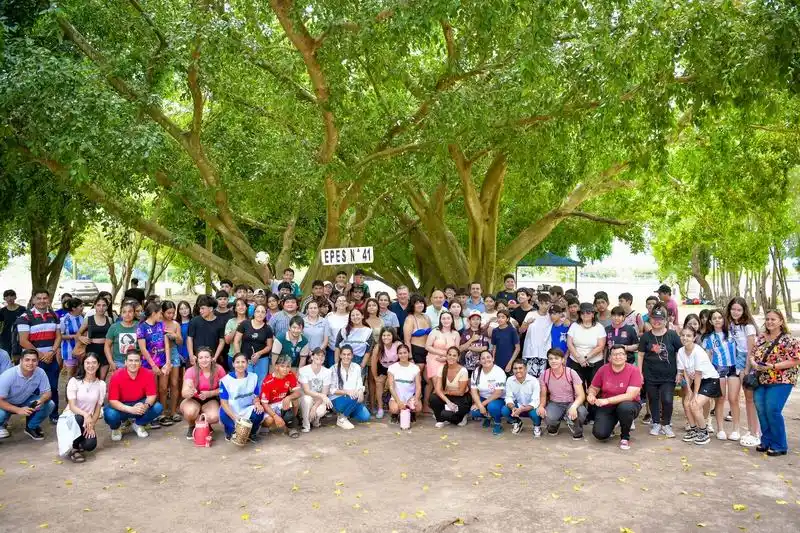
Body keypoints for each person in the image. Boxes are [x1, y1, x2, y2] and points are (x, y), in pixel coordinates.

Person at [751, 309, 800, 456]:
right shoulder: (761, 338)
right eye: (767, 319)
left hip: (782, 379)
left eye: (773, 319)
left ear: (781, 321)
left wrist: (773, 367)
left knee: (772, 409)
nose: (770, 322)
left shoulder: (789, 339)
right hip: (761, 378)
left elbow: (796, 359)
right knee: (761, 408)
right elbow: (752, 354)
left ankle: (779, 444)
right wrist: (754, 363)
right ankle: (766, 440)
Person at [15, 289, 61, 424]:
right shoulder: (24, 318)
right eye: (39, 298)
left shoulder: (54, 315)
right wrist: (41, 355)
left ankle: (54, 414)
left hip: (51, 358)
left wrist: (52, 352)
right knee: (33, 391)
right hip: (33, 362)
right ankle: (32, 420)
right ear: (33, 300)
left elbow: (58, 336)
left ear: (49, 300)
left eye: (45, 298)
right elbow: (23, 341)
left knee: (52, 387)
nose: (42, 301)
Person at [637, 305, 682, 438]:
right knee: (653, 399)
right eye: (654, 319)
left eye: (660, 319)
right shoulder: (646, 336)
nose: (657, 321)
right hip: (650, 374)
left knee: (667, 400)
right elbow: (640, 355)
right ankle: (656, 423)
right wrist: (639, 373)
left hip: (669, 375)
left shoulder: (672, 335)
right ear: (650, 320)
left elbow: (681, 353)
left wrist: (680, 372)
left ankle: (666, 424)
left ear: (665, 320)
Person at [588, 345, 643, 450]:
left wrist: (607, 400)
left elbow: (630, 396)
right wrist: (591, 394)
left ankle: (625, 437)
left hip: (628, 404)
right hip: (608, 406)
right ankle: (614, 422)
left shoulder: (634, 370)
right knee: (600, 434)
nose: (618, 357)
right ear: (609, 358)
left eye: (621, 354)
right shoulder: (603, 369)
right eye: (615, 354)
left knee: (625, 408)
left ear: (626, 357)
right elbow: (593, 387)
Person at [104, 350, 163, 440]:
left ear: (140, 362)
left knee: (158, 407)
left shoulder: (148, 374)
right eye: (130, 360)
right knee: (110, 414)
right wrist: (130, 409)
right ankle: (116, 428)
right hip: (122, 406)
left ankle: (138, 424)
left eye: (136, 361)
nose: (133, 363)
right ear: (125, 362)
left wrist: (145, 406)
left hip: (140, 403)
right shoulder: (116, 376)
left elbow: (151, 395)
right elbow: (113, 401)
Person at [58, 353, 106, 462]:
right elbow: (72, 406)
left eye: (94, 363)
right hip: (71, 418)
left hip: (87, 421)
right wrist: (86, 415)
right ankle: (74, 449)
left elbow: (98, 408)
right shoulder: (74, 381)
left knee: (90, 445)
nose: (91, 366)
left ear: (98, 365)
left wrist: (92, 424)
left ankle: (77, 441)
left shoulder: (101, 384)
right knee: (79, 418)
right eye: (87, 363)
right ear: (83, 365)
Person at [677, 326, 720, 445]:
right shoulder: (681, 351)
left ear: (694, 337)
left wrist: (694, 394)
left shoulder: (698, 351)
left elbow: (698, 374)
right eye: (683, 335)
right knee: (686, 403)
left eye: (689, 336)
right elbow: (685, 371)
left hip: (710, 380)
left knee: (694, 405)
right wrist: (689, 392)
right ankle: (693, 429)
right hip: (695, 381)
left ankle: (703, 432)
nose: (685, 338)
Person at [727, 297, 761, 447]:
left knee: (749, 399)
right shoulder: (731, 325)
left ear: (744, 310)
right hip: (733, 362)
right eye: (733, 309)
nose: (735, 312)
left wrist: (747, 369)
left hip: (746, 362)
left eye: (739, 310)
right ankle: (740, 429)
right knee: (732, 397)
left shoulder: (749, 327)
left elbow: (751, 350)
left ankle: (755, 432)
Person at [0, 349, 55, 440]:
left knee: (49, 404)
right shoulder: (8, 375)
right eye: (27, 360)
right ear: (21, 361)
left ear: (38, 362)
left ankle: (31, 427)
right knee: (1, 415)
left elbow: (47, 393)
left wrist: (41, 400)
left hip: (24, 400)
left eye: (34, 360)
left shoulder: (40, 372)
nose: (30, 363)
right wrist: (18, 410)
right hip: (5, 403)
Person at [702, 309, 740, 441]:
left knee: (734, 399)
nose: (717, 320)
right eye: (714, 318)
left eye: (720, 317)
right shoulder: (708, 338)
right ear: (711, 321)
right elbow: (707, 357)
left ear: (724, 319)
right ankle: (721, 429)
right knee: (720, 399)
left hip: (734, 368)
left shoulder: (732, 333)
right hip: (718, 369)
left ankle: (736, 429)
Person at [566, 302, 606, 421]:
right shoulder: (574, 326)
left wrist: (585, 358)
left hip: (594, 361)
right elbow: (570, 343)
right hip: (576, 360)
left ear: (593, 314)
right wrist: (579, 358)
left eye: (588, 312)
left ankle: (593, 414)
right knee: (579, 387)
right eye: (582, 312)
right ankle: (581, 414)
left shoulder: (599, 327)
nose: (585, 314)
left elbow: (600, 346)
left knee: (594, 388)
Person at [537, 348, 587, 439]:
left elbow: (581, 395)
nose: (553, 361)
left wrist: (574, 406)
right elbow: (543, 395)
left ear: (562, 360)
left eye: (556, 358)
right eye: (550, 358)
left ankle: (577, 429)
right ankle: (554, 426)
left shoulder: (571, 373)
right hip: (555, 403)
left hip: (571, 402)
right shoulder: (545, 375)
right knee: (547, 415)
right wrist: (541, 406)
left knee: (580, 412)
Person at [136, 302, 171, 428]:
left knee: (163, 388)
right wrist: (153, 365)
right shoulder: (141, 327)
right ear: (153, 313)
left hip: (163, 362)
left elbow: (166, 344)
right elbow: (143, 349)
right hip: (149, 364)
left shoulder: (161, 325)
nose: (161, 315)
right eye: (160, 313)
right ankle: (153, 416)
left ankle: (162, 414)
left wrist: (168, 362)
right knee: (152, 390)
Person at [181, 346, 225, 439]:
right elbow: (184, 393)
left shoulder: (219, 369)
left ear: (212, 358)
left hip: (210, 399)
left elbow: (224, 389)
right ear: (197, 359)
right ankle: (192, 425)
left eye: (207, 357)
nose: (204, 360)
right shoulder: (191, 371)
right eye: (201, 358)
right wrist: (190, 392)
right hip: (193, 399)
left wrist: (210, 393)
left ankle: (204, 423)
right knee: (190, 412)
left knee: (214, 417)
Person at [219, 352, 265, 443]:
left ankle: (252, 433)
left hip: (246, 408)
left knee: (259, 411)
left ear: (247, 363)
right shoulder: (225, 380)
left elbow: (255, 396)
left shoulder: (253, 377)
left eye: (243, 362)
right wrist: (236, 419)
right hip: (231, 410)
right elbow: (224, 403)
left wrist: (257, 403)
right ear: (233, 364)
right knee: (229, 424)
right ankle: (229, 432)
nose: (240, 365)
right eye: (237, 362)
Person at [424, 311, 460, 412]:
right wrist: (443, 354)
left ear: (452, 319)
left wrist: (446, 358)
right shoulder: (435, 331)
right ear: (440, 320)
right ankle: (437, 409)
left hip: (449, 361)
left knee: (447, 385)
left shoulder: (455, 334)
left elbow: (456, 351)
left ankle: (446, 407)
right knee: (437, 385)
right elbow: (427, 346)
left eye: (448, 318)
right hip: (434, 360)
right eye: (443, 318)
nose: (446, 320)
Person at [260, 354, 302, 438]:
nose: (285, 369)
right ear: (276, 367)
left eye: (288, 366)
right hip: (270, 405)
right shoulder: (268, 381)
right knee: (269, 420)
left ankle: (290, 425)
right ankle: (264, 426)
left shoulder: (290, 374)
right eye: (282, 366)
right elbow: (264, 404)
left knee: (295, 400)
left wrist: (288, 397)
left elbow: (298, 393)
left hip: (282, 403)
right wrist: (275, 416)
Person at [329, 345, 370, 429]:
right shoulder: (333, 368)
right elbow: (331, 390)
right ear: (340, 355)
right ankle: (342, 418)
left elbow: (359, 384)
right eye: (344, 354)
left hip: (353, 398)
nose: (346, 357)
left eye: (348, 354)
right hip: (337, 399)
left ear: (352, 355)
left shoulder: (357, 367)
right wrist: (346, 392)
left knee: (365, 417)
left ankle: (348, 412)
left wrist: (361, 392)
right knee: (354, 396)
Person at [233, 303, 274, 384]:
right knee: (246, 380)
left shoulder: (268, 328)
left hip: (262, 359)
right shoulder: (244, 324)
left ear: (266, 314)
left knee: (260, 381)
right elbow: (236, 341)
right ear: (254, 313)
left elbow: (269, 346)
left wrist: (259, 353)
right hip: (246, 359)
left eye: (263, 312)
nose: (260, 314)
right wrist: (240, 357)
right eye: (258, 311)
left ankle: (257, 396)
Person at [430, 346, 470, 427]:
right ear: (446, 356)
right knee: (433, 398)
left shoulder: (463, 370)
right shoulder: (442, 368)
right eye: (449, 354)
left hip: (461, 398)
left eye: (454, 355)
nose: (451, 357)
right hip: (448, 397)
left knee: (450, 416)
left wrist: (447, 392)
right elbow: (437, 390)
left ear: (458, 358)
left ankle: (462, 416)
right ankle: (440, 419)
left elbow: (461, 392)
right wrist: (447, 401)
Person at [469, 351, 507, 435]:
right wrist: (479, 404)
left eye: (488, 357)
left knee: (492, 407)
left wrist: (482, 405)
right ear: (480, 361)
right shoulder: (476, 371)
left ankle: (497, 423)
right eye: (483, 358)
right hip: (484, 397)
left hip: (498, 398)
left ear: (493, 358)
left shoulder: (499, 371)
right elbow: (474, 391)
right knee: (474, 411)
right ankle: (488, 417)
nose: (486, 360)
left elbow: (498, 393)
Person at [75, 296, 112, 381]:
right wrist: (81, 338)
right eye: (98, 305)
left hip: (105, 350)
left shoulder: (109, 320)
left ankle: (100, 394)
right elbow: (78, 334)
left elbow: (111, 337)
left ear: (107, 306)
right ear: (94, 306)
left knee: (102, 379)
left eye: (104, 305)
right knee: (90, 378)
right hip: (91, 350)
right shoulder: (89, 319)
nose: (101, 308)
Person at [503, 359, 542, 437]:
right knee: (505, 410)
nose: (518, 371)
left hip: (531, 406)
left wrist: (522, 409)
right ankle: (517, 422)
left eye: (520, 368)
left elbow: (536, 401)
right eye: (515, 368)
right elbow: (508, 397)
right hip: (518, 405)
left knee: (536, 414)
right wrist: (513, 407)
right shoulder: (510, 380)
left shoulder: (534, 381)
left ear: (526, 369)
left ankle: (537, 426)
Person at [298, 348, 333, 432]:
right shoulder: (304, 370)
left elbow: (324, 392)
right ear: (312, 357)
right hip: (305, 398)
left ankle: (315, 420)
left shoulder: (327, 372)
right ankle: (306, 424)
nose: (320, 357)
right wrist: (321, 395)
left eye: (322, 355)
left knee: (320, 411)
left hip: (318, 400)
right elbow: (306, 391)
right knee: (307, 399)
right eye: (317, 355)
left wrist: (314, 408)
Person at [387, 343, 423, 424]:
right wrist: (398, 401)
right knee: (395, 409)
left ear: (408, 353)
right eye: (400, 353)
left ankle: (412, 413)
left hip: (410, 397)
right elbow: (391, 387)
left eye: (405, 353)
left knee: (418, 408)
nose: (403, 355)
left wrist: (416, 398)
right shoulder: (392, 368)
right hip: (397, 397)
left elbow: (418, 386)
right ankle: (395, 414)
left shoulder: (415, 368)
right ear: (397, 355)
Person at [371, 327, 402, 418]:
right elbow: (373, 362)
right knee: (379, 383)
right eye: (384, 335)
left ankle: (397, 404)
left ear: (393, 336)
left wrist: (391, 377)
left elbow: (402, 360)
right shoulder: (378, 346)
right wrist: (375, 377)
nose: (386, 337)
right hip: (383, 368)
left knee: (392, 383)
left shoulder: (398, 344)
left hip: (395, 369)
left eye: (388, 335)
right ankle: (380, 408)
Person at [161, 301, 184, 424]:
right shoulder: (158, 323)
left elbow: (180, 342)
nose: (171, 315)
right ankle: (163, 411)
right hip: (161, 353)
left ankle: (173, 411)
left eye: (173, 313)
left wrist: (175, 335)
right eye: (168, 313)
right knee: (163, 386)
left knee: (175, 383)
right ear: (163, 312)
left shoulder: (176, 324)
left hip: (174, 353)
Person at [187, 295, 226, 365]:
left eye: (202, 308)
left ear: (211, 309)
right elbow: (189, 338)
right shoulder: (194, 321)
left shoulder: (220, 322)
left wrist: (215, 357)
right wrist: (191, 355)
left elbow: (222, 341)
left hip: (212, 359)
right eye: (200, 308)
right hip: (196, 359)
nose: (200, 311)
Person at [520, 293, 552, 378]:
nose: (544, 306)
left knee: (541, 379)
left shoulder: (551, 316)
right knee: (528, 378)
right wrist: (527, 323)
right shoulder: (531, 314)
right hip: (530, 351)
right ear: (537, 303)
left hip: (544, 352)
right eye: (542, 303)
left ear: (550, 304)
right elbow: (521, 330)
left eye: (546, 303)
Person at [105, 301, 139, 376]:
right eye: (124, 312)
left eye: (130, 311)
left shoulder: (139, 326)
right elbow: (107, 346)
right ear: (121, 314)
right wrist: (111, 362)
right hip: (118, 363)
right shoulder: (114, 327)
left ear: (134, 313)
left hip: (136, 362)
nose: (127, 314)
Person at [58, 297, 85, 379]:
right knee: (71, 375)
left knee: (79, 372)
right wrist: (74, 336)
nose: (82, 308)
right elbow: (59, 336)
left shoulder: (82, 317)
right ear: (73, 308)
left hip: (81, 349)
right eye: (80, 306)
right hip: (69, 350)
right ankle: (68, 390)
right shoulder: (64, 320)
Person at [460, 310, 490, 377]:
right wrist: (472, 340)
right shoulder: (465, 332)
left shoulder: (483, 332)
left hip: (481, 364)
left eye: (478, 319)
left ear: (480, 320)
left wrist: (469, 347)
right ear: (469, 321)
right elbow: (461, 348)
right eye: (473, 319)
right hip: (467, 365)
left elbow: (485, 348)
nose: (476, 321)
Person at [491, 310, 520, 375]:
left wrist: (510, 363)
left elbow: (517, 348)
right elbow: (494, 347)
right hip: (497, 361)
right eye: (498, 317)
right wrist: (493, 359)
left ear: (507, 319)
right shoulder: (495, 331)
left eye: (503, 317)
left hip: (509, 361)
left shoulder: (512, 330)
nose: (500, 319)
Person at [325, 295, 350, 368]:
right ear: (335, 304)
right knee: (333, 372)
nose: (341, 302)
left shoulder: (351, 316)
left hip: (347, 351)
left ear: (347, 303)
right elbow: (325, 333)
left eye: (344, 301)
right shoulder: (329, 316)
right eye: (339, 301)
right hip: (331, 350)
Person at [224, 297, 250, 365]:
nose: (241, 307)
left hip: (249, 357)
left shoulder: (251, 321)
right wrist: (238, 327)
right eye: (238, 305)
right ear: (235, 309)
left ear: (246, 307)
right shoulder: (231, 322)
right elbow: (227, 341)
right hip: (233, 356)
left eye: (243, 304)